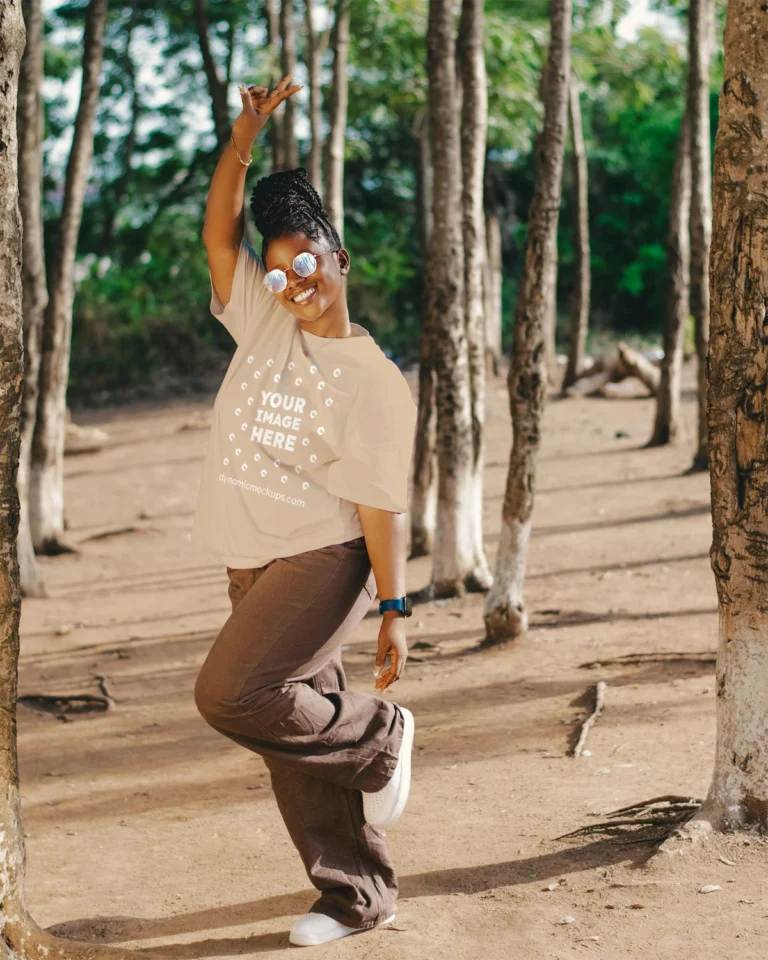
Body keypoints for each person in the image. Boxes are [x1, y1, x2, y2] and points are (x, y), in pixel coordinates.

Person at [189, 75, 419, 947]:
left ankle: (381, 738)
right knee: (291, 725)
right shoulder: (264, 320)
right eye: (279, 269)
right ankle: (355, 895)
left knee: (235, 693)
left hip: (324, 558)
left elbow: (378, 502)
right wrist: (243, 138)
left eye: (307, 263)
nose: (292, 282)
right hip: (251, 553)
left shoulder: (372, 380)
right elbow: (218, 232)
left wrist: (394, 609)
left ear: (341, 259)